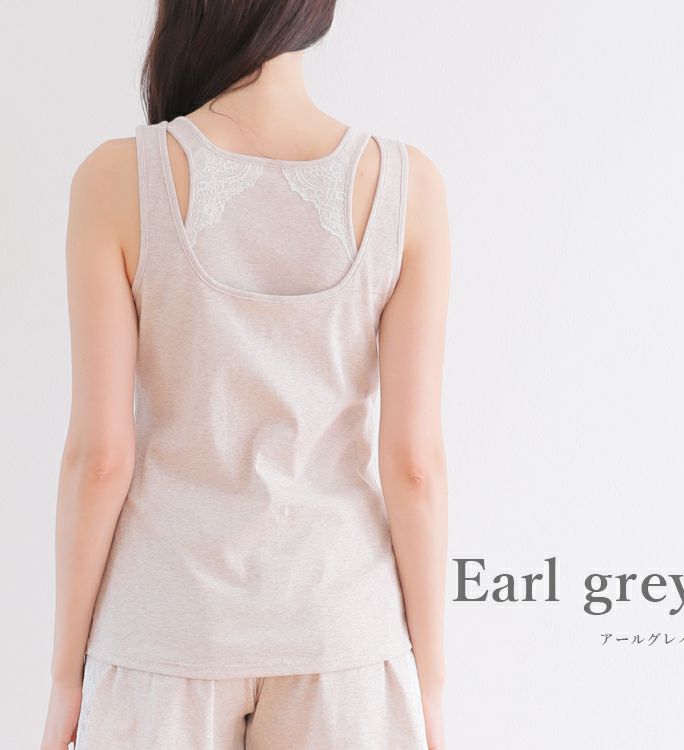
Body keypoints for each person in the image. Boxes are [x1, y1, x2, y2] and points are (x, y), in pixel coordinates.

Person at [40, 1, 450, 748]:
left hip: (165, 629)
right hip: (341, 631)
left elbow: (99, 459)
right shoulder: (405, 186)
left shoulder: (117, 178)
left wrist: (65, 678)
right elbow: (414, 468)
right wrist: (431, 687)